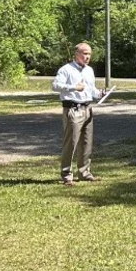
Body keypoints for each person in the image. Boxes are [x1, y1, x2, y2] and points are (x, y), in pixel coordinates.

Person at [52, 41, 102, 185]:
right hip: (73, 109)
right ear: (77, 54)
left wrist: (100, 93)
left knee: (86, 143)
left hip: (87, 108)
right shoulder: (66, 69)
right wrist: (74, 87)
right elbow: (55, 86)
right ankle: (66, 175)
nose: (87, 57)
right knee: (71, 143)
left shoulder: (89, 70)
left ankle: (84, 173)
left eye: (89, 54)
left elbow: (92, 90)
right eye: (85, 53)